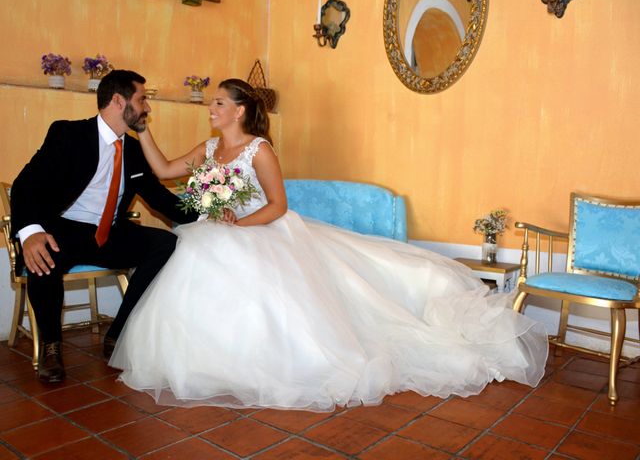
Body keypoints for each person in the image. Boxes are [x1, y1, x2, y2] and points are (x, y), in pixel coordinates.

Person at [110, 78, 548, 411]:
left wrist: (240, 224)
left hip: (258, 231)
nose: (212, 107)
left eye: (220, 102)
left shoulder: (259, 150)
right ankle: (201, 360)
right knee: (191, 256)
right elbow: (166, 169)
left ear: (240, 111)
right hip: (214, 230)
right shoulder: (209, 150)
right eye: (214, 102)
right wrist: (143, 130)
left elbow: (278, 205)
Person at [10, 70, 198, 384]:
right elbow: (25, 185)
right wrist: (30, 232)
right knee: (44, 255)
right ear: (117, 100)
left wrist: (210, 216)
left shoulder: (135, 151)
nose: (147, 108)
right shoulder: (68, 135)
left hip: (109, 234)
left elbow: (160, 200)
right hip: (65, 230)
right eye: (142, 99)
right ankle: (51, 348)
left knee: (165, 244)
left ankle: (118, 333)